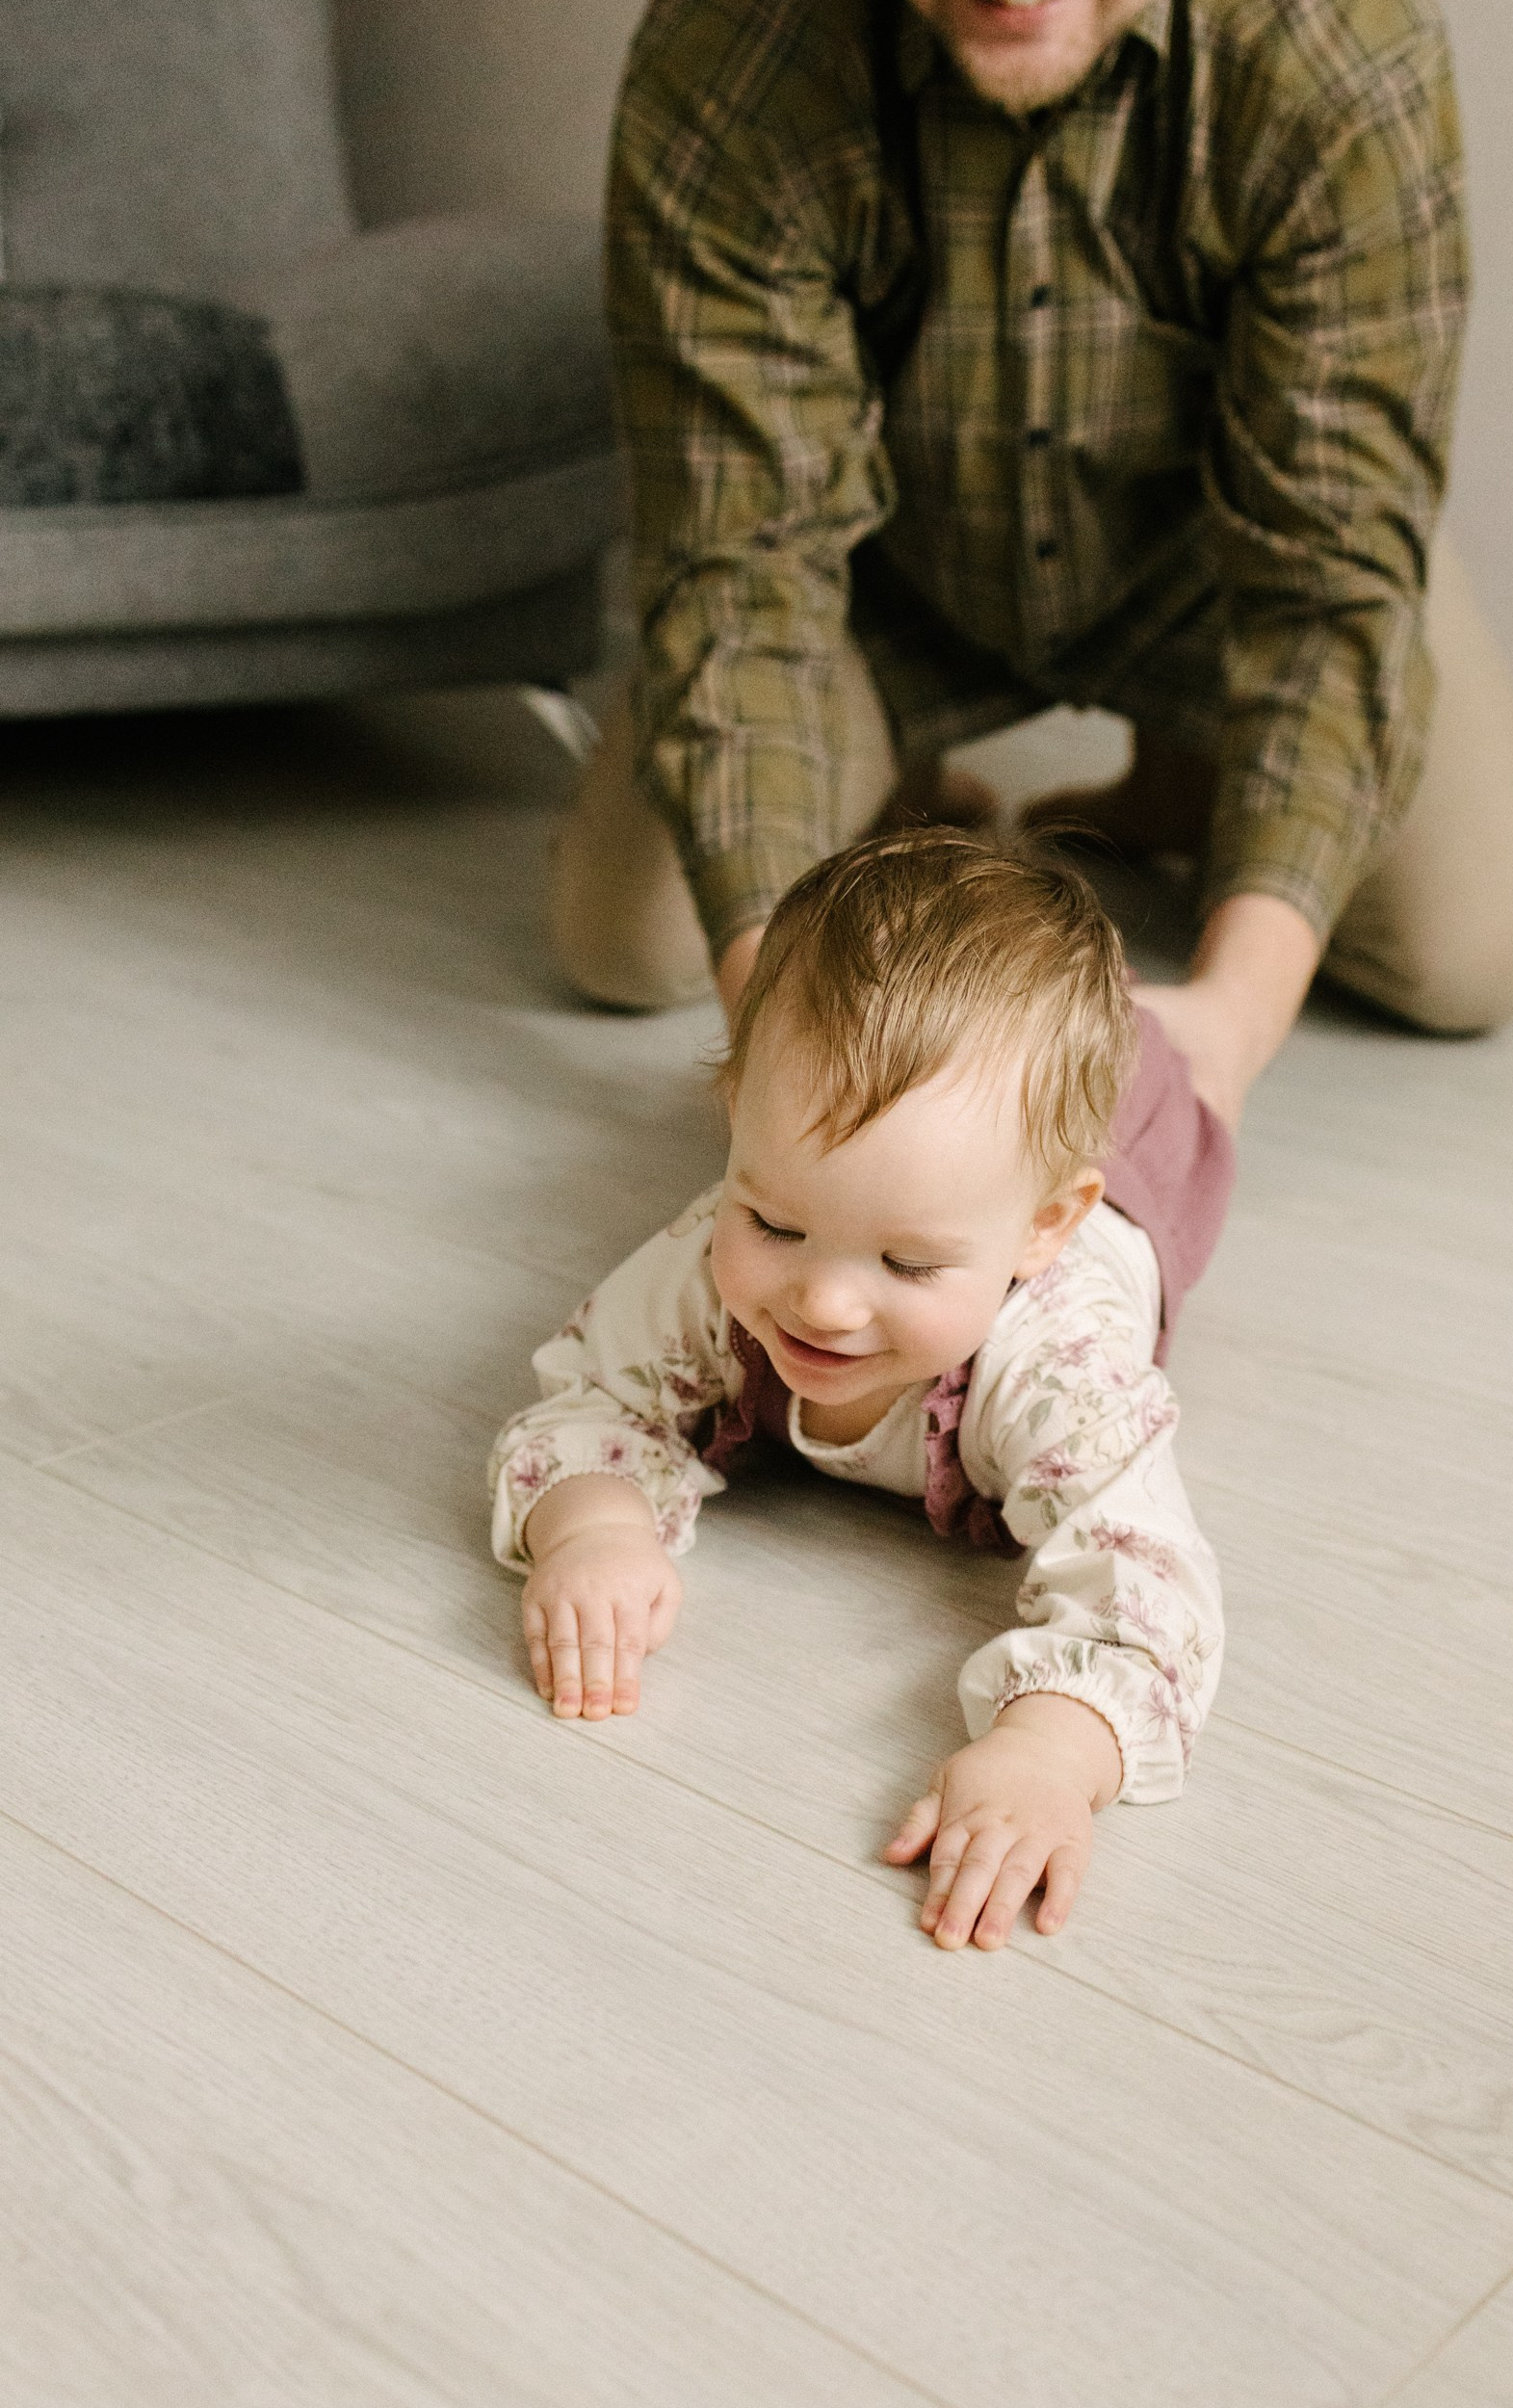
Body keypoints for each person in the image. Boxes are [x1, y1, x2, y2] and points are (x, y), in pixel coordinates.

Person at [550, 0, 1513, 1120]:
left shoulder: (1344, 31)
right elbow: (740, 567)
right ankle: (897, 774)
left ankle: (1184, 780)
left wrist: (1224, 1025)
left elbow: (1334, 573)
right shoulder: (738, 35)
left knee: (1478, 957)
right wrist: (797, 1072)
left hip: (1220, 572)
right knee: (632, 941)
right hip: (876, 586)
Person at [490, 831, 1230, 1951]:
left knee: (1177, 1059)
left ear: (1041, 1228)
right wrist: (593, 1529)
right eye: (775, 1221)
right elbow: (592, 1397)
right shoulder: (705, 1263)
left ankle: (1199, 1020)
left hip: (1140, 1149)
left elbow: (1147, 1587)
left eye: (909, 1263)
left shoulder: (1060, 1368)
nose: (824, 1305)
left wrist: (1049, 1749)